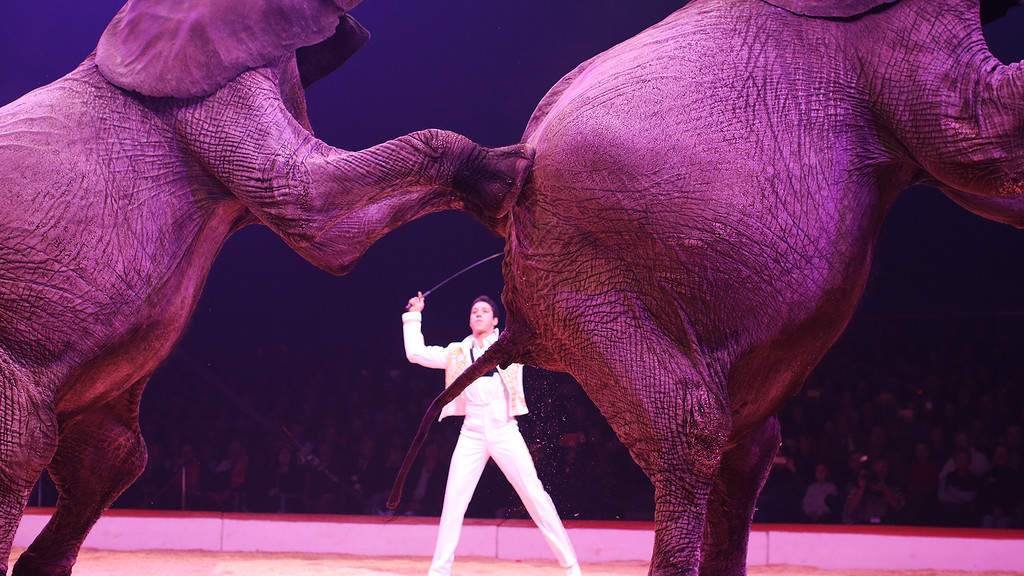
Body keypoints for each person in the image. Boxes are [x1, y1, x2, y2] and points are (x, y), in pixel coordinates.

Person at [403, 293, 581, 576]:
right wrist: (414, 315)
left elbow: (538, 343)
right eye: (474, 311)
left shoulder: (508, 347)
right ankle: (439, 570)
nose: (478, 314)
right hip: (471, 431)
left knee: (534, 494)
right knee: (454, 500)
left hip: (504, 429)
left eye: (484, 311)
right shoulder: (457, 352)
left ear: (496, 320)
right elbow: (416, 353)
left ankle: (570, 565)